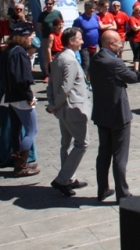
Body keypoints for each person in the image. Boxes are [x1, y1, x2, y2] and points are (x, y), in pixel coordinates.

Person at [89, 30, 138, 204]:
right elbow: (132, 77)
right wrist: (134, 68)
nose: (121, 45)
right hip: (118, 113)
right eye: (119, 43)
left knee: (104, 153)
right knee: (119, 155)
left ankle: (102, 189)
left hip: (101, 112)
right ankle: (122, 193)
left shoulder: (94, 59)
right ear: (111, 44)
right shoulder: (115, 62)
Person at [46, 27, 91, 196]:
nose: (82, 41)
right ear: (71, 41)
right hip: (73, 108)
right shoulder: (69, 60)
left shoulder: (59, 57)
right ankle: (62, 179)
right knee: (82, 143)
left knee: (66, 143)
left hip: (63, 110)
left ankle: (68, 178)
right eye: (79, 39)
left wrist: (53, 104)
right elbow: (65, 87)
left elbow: (51, 84)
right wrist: (53, 105)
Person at [0, 22, 40, 177]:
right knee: (31, 130)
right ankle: (20, 165)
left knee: (16, 130)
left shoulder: (7, 51)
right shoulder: (19, 52)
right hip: (20, 96)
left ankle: (19, 162)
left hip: (9, 95)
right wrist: (29, 96)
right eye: (29, 35)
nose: (31, 38)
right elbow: (22, 78)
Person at [37, 0, 62, 80]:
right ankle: (47, 74)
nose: (48, 5)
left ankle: (58, 73)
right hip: (46, 38)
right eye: (47, 4)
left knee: (58, 56)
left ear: (53, 4)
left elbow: (61, 23)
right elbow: (39, 26)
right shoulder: (42, 14)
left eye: (50, 4)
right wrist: (45, 34)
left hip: (56, 37)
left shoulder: (57, 13)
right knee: (47, 57)